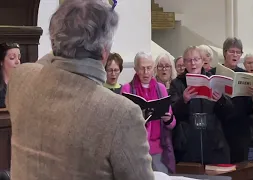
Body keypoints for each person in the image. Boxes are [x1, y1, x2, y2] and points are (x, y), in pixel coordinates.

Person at [6, 1, 154, 180]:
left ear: (53, 41)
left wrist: (64, 42)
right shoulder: (122, 114)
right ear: (105, 53)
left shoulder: (21, 79)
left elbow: (47, 62)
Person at [169, 46, 232, 165]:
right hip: (188, 143)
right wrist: (184, 100)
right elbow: (172, 112)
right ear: (185, 63)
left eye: (196, 59)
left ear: (202, 61)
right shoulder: (177, 83)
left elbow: (229, 112)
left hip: (213, 141)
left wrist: (220, 100)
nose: (193, 63)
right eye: (188, 60)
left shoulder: (213, 80)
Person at [121, 52, 176, 174]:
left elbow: (172, 124)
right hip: (136, 149)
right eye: (142, 68)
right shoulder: (127, 89)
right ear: (135, 69)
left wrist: (168, 119)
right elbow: (121, 122)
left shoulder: (161, 88)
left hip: (158, 149)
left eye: (149, 68)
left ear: (153, 69)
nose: (146, 72)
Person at [220, 37, 253, 163]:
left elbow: (249, 109)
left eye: (238, 52)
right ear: (225, 52)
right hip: (220, 127)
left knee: (240, 167)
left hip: (240, 129)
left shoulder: (245, 75)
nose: (235, 55)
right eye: (232, 51)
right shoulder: (215, 72)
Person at [0, 43, 20, 108]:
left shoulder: (24, 84)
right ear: (1, 62)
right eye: (12, 58)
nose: (17, 62)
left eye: (19, 57)